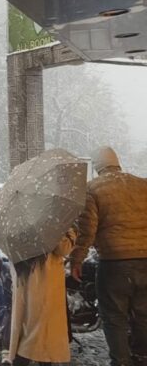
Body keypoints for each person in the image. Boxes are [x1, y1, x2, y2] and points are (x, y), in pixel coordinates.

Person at [71, 146, 147, 366]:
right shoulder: (142, 185)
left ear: (97, 167)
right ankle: (142, 356)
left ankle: (121, 361)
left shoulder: (92, 189)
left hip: (114, 263)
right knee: (143, 314)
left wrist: (76, 259)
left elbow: (87, 231)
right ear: (117, 162)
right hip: (145, 260)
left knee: (114, 317)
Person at [9, 228, 77, 366]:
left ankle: (21, 358)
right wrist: (70, 233)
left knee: (26, 325)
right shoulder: (51, 220)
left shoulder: (19, 222)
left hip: (24, 276)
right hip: (45, 280)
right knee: (42, 328)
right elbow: (63, 249)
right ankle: (35, 359)